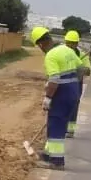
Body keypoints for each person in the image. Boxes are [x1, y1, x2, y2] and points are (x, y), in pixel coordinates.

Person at [32, 26, 82, 169]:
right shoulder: (67, 50)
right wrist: (70, 81)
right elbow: (81, 69)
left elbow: (54, 80)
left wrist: (48, 97)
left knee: (56, 126)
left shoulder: (51, 56)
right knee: (57, 124)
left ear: (41, 43)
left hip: (63, 95)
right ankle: (48, 154)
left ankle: (57, 162)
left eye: (38, 46)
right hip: (73, 92)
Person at [64, 29, 91, 137]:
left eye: (72, 43)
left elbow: (88, 71)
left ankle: (71, 130)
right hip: (63, 83)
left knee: (74, 106)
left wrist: (80, 68)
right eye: (68, 43)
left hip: (76, 84)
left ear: (76, 43)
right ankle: (61, 126)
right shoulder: (61, 53)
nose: (70, 45)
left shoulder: (82, 55)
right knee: (61, 105)